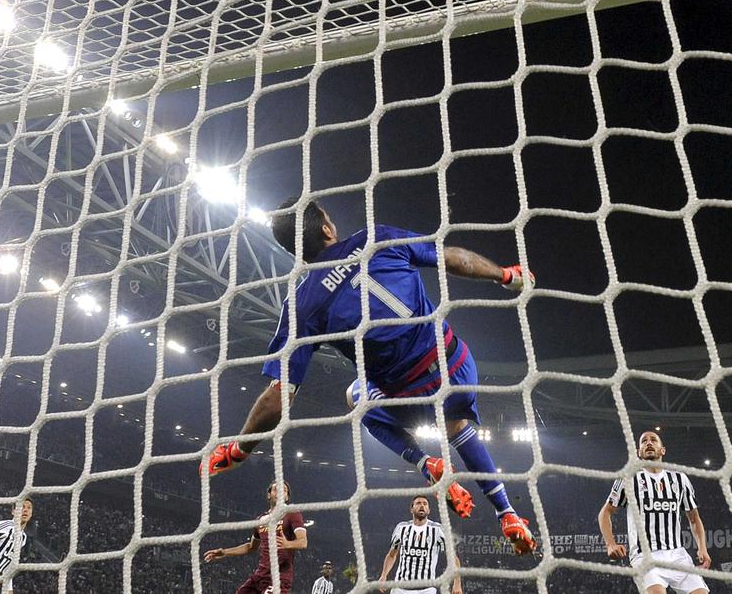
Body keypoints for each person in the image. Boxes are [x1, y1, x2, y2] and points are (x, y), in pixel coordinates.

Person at [205, 197, 537, 555]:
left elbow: (279, 395)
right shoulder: (375, 238)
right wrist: (507, 275)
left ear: (296, 252)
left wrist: (239, 449)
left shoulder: (302, 305)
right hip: (458, 364)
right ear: (328, 229)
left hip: (412, 395)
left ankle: (426, 463)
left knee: (355, 395)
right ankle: (507, 512)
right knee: (456, 424)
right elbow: (453, 258)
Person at [598, 431, 712, 594]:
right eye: (644, 441)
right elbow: (605, 512)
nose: (649, 443)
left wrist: (702, 548)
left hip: (678, 556)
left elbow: (694, 518)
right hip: (645, 557)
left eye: (653, 440)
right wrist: (610, 544)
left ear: (662, 450)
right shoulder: (628, 478)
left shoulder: (680, 479)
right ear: (639, 452)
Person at [203, 481, 307, 594]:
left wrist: (288, 544)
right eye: (276, 489)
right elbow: (251, 547)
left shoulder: (292, 513)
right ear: (269, 495)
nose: (280, 492)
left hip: (279, 578)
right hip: (259, 576)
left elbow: (303, 542)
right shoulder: (260, 519)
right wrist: (224, 552)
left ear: (286, 497)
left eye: (284, 490)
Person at [379, 495, 463, 594]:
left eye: (425, 504)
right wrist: (383, 575)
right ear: (411, 509)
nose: (422, 506)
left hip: (426, 589)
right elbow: (392, 555)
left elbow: (452, 558)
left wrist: (457, 583)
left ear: (429, 510)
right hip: (400, 589)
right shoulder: (401, 528)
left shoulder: (437, 530)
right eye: (418, 503)